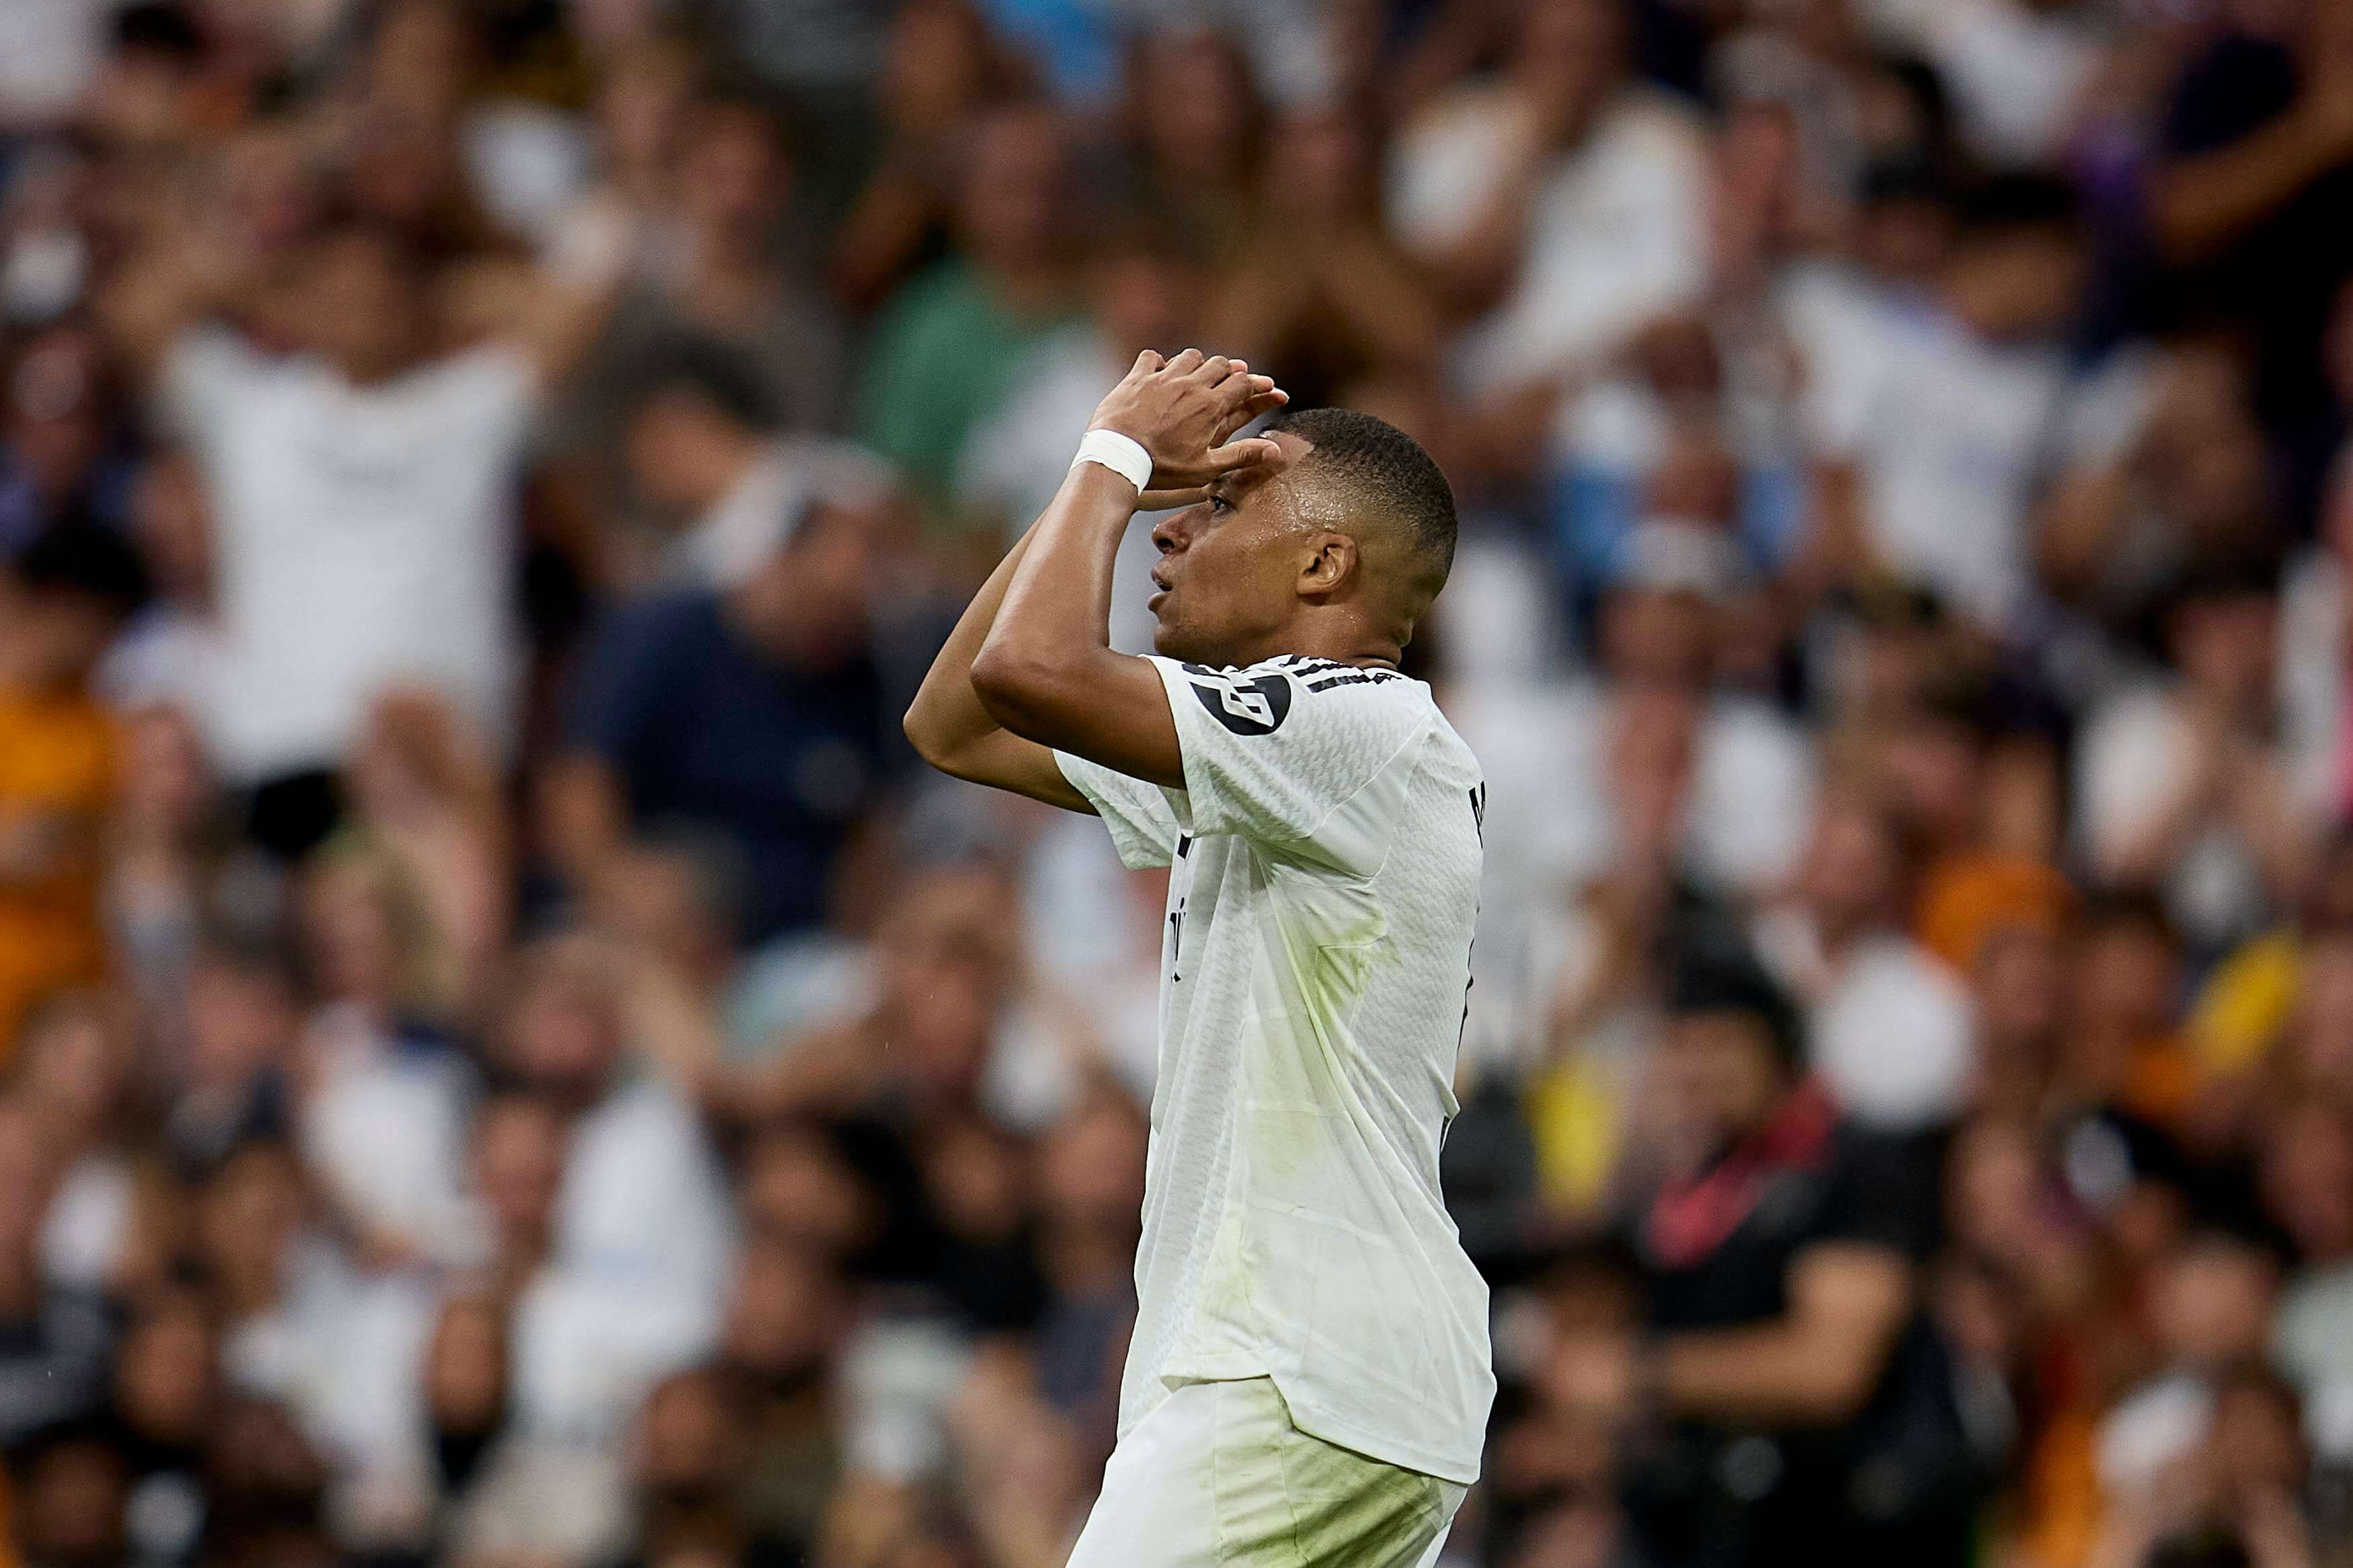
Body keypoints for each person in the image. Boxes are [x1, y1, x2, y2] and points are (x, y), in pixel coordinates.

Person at [904, 351, 1492, 1565]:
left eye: (1221, 507)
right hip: (1332, 1377)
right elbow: (957, 718)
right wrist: (1101, 478)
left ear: (1327, 564)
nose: (1170, 536)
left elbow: (1033, 669)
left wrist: (1113, 460)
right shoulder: (1278, 769)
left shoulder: (1352, 725)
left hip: (1289, 1365)